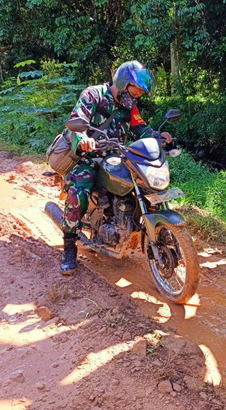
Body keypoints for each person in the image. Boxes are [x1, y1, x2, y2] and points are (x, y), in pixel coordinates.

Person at [59, 60, 172, 274]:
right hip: (88, 157)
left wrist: (158, 137)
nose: (137, 96)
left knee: (145, 182)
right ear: (123, 83)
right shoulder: (93, 95)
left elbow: (140, 129)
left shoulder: (130, 106)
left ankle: (145, 226)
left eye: (140, 93)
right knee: (78, 192)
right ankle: (69, 247)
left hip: (116, 155)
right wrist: (83, 138)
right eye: (135, 91)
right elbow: (76, 122)